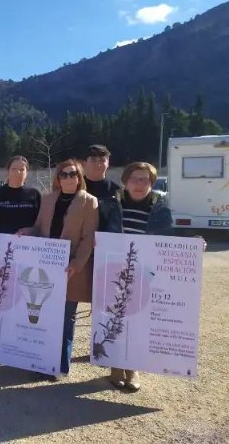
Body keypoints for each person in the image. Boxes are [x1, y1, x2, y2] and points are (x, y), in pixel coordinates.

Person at [19, 159, 98, 380]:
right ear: (58, 178)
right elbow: (38, 228)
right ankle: (41, 360)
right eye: (64, 174)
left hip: (69, 269)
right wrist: (27, 231)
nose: (69, 178)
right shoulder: (48, 199)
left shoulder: (89, 202)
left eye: (73, 174)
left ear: (79, 177)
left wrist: (78, 263)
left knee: (65, 319)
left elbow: (89, 237)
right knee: (43, 317)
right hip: (44, 268)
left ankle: (60, 366)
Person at [100, 162, 173, 392]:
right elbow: (100, 230)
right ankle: (114, 367)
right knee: (114, 317)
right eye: (135, 179)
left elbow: (169, 239)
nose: (140, 184)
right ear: (126, 182)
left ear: (152, 183)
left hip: (144, 272)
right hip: (114, 270)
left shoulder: (161, 210)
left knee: (138, 320)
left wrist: (195, 242)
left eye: (145, 180)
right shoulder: (111, 205)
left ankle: (133, 369)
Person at [0, 155, 41, 234]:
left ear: (27, 173)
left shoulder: (34, 194)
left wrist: (30, 231)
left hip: (27, 244)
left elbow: (40, 223)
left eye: (22, 169)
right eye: (14, 169)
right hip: (0, 242)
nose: (18, 172)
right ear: (8, 171)